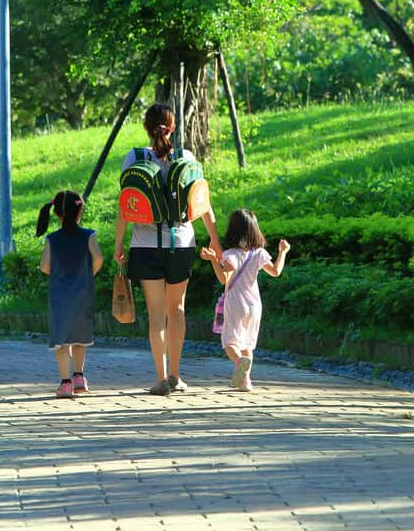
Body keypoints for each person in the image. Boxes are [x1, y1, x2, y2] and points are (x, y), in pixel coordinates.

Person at [114, 103, 221, 396]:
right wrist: (215, 241)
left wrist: (119, 245)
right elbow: (202, 204)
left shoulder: (133, 158)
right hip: (181, 244)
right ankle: (176, 375)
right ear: (172, 128)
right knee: (177, 309)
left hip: (145, 247)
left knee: (156, 314)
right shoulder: (186, 157)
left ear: (146, 128)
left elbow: (126, 206)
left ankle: (160, 379)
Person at [201, 208, 291, 392]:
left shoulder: (231, 255)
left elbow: (223, 279)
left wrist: (212, 259)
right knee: (247, 343)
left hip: (236, 304)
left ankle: (239, 362)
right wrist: (283, 252)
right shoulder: (259, 253)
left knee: (230, 343)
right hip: (255, 305)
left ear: (232, 230)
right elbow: (275, 272)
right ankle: (246, 382)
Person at [37, 189, 104, 399]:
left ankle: (65, 383)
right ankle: (79, 377)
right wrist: (88, 274)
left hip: (59, 295)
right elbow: (99, 258)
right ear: (80, 211)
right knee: (80, 337)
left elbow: (44, 267)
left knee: (62, 340)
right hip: (84, 291)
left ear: (56, 213)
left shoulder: (52, 239)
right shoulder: (89, 236)